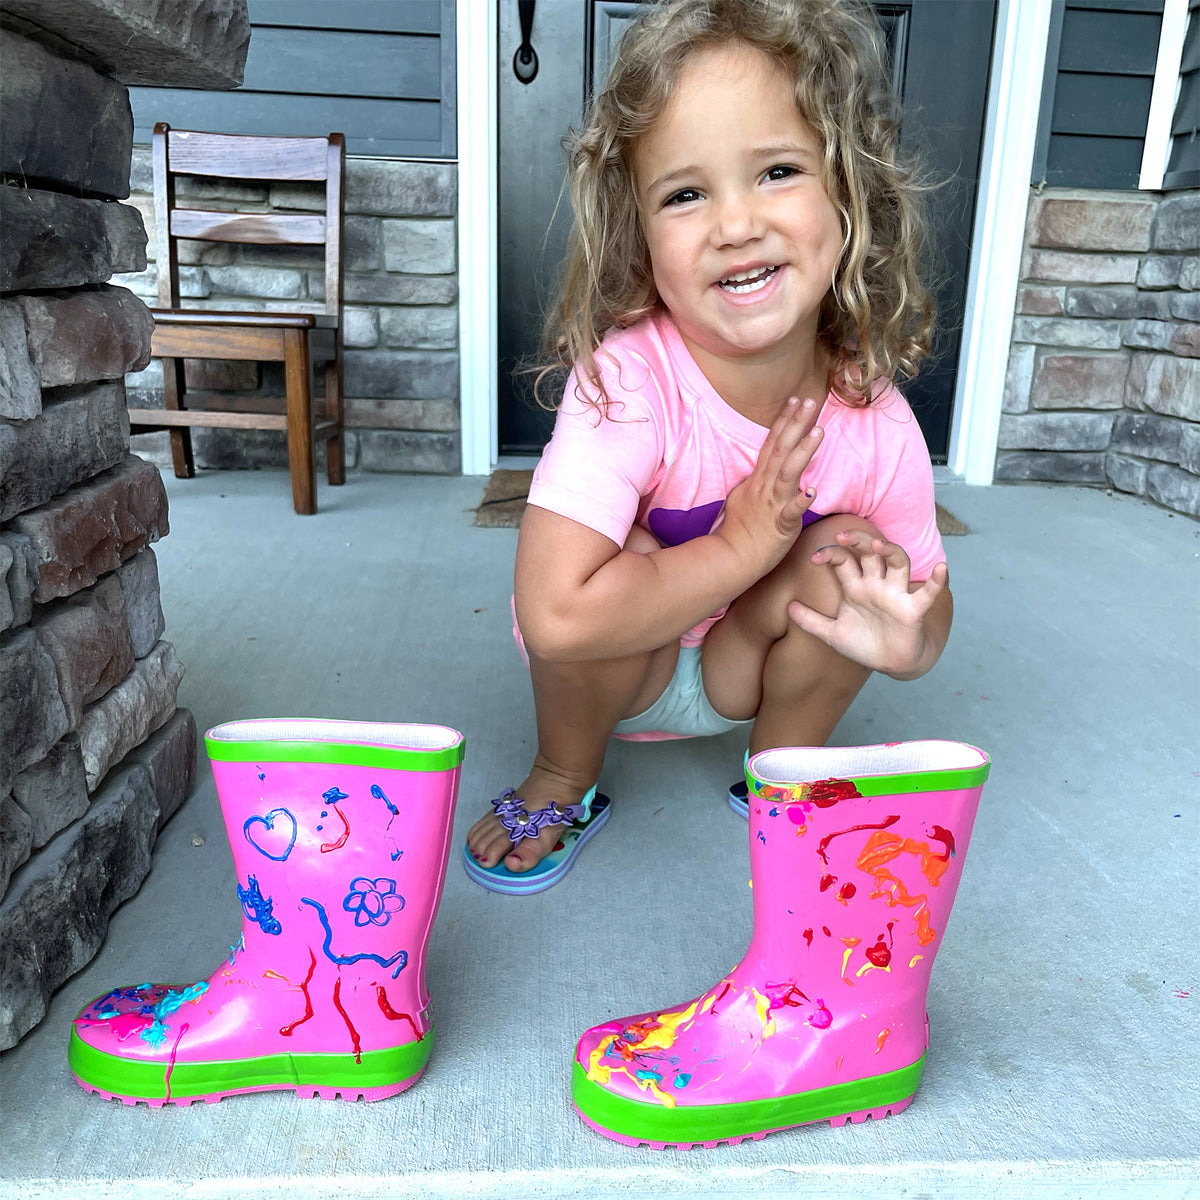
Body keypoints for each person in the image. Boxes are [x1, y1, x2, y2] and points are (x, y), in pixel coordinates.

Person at [464, 0, 951, 893]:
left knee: (850, 555)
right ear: (640, 238)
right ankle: (565, 777)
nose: (735, 223)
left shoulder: (873, 418)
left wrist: (906, 641)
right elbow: (555, 617)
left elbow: (926, 601)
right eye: (685, 193)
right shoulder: (628, 384)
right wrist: (739, 543)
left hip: (745, 662)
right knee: (619, 557)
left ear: (851, 198)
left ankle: (785, 773)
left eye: (776, 171)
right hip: (622, 664)